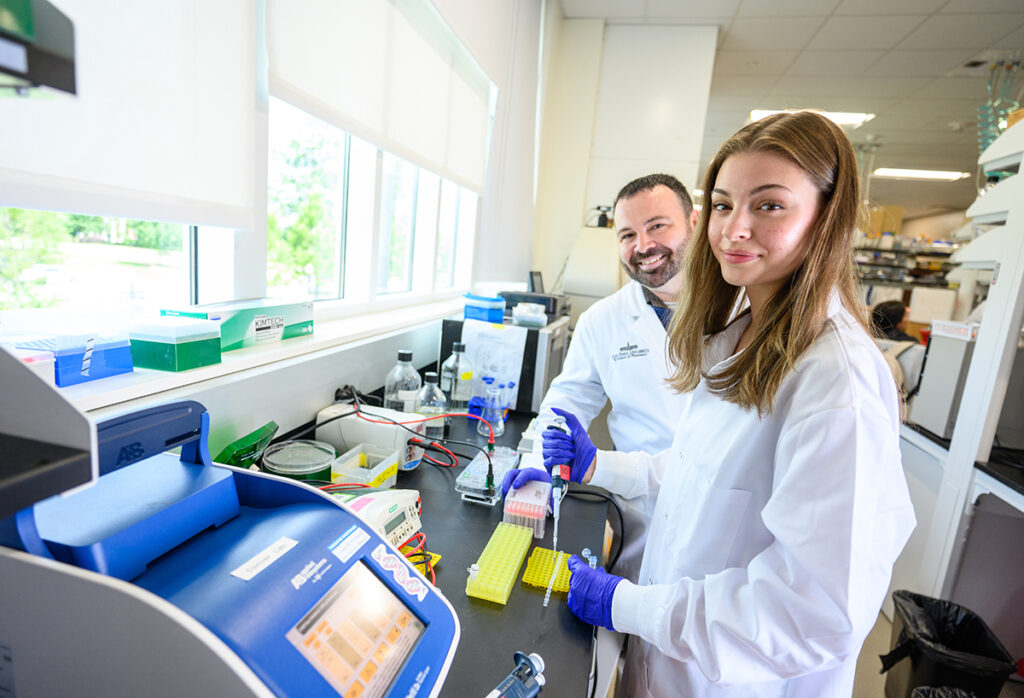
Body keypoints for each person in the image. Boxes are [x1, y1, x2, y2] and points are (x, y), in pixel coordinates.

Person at [538, 111, 916, 696]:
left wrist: (628, 606)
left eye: (769, 205)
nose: (736, 228)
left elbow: (812, 614)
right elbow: (700, 476)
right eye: (723, 204)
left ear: (826, 217)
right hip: (672, 651)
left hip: (734, 680)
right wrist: (596, 466)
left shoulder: (837, 384)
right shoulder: (740, 335)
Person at [527, 173, 699, 583]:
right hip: (640, 521)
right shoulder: (602, 320)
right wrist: (537, 467)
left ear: (694, 222)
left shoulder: (742, 310)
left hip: (715, 524)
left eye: (657, 225)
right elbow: (565, 403)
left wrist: (598, 465)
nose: (643, 246)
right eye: (627, 235)